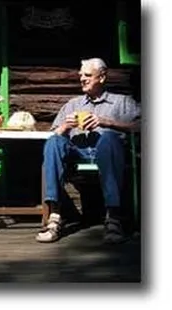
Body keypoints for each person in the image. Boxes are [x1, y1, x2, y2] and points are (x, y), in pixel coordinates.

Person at [36, 58, 140, 244]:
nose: (82, 79)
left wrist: (107, 122)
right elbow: (54, 134)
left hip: (109, 154)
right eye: (81, 75)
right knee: (54, 142)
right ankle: (54, 215)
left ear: (102, 77)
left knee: (108, 137)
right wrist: (65, 127)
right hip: (79, 154)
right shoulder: (73, 104)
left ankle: (114, 217)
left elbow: (142, 126)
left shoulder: (122, 102)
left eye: (87, 75)